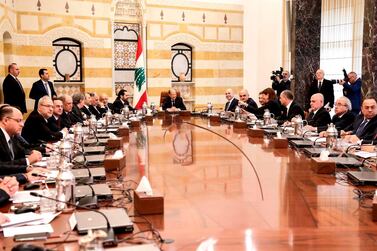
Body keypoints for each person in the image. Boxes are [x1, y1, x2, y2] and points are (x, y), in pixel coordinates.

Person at [0, 105, 42, 171]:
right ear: (5, 120)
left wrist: (31, 154)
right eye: (19, 120)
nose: (22, 124)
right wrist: (27, 161)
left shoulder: (13, 136)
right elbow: (1, 166)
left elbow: (22, 152)